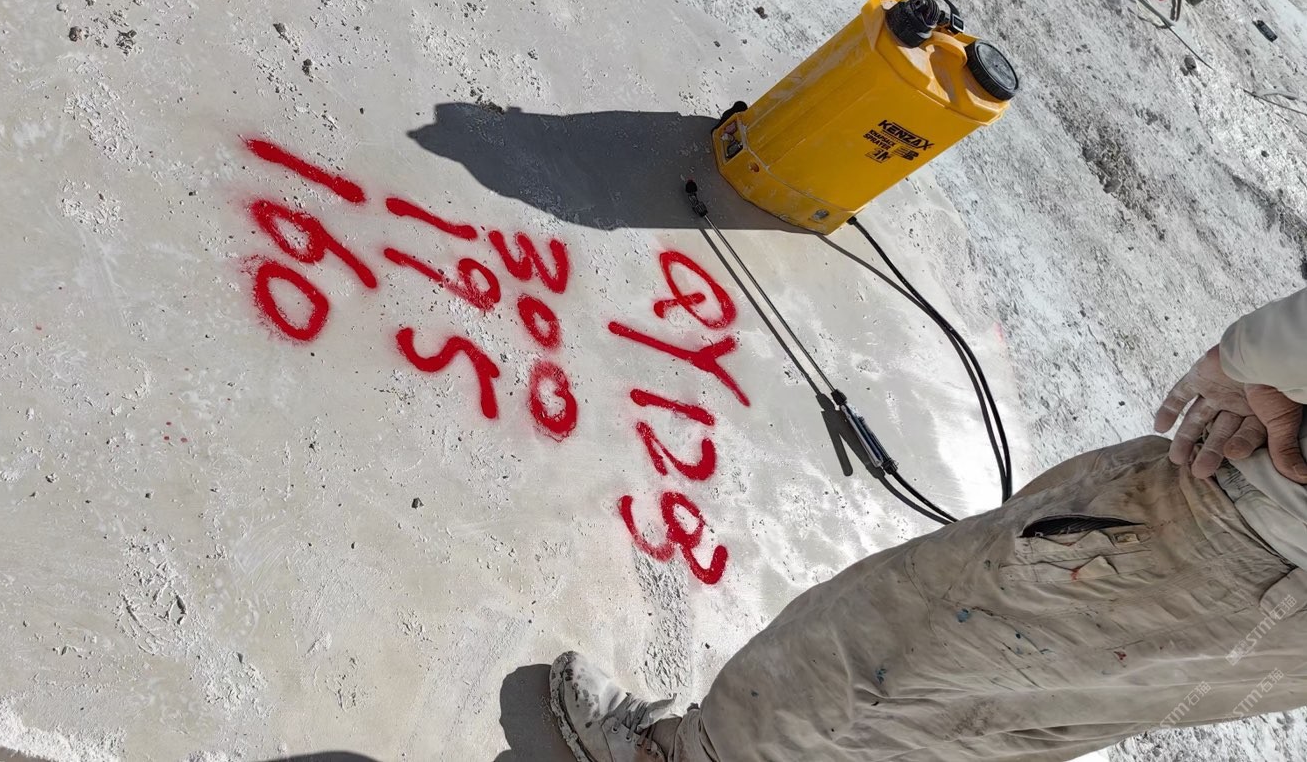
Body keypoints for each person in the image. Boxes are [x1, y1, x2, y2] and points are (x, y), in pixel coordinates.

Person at [551, 287, 1307, 762]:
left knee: (877, 642)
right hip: (1284, 632)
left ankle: (679, 757)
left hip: (1240, 522)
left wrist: (1251, 358)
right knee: (1012, 717)